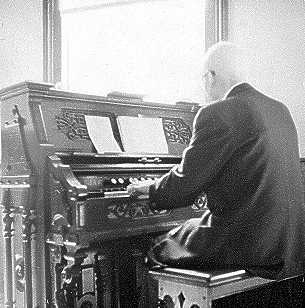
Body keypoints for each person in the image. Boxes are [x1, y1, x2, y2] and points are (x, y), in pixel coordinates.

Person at [127, 41, 305, 280]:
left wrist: (149, 189)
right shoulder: (279, 110)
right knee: (188, 227)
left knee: (150, 249)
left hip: (246, 245)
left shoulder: (218, 112)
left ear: (210, 76)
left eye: (202, 79)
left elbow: (183, 186)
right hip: (289, 244)